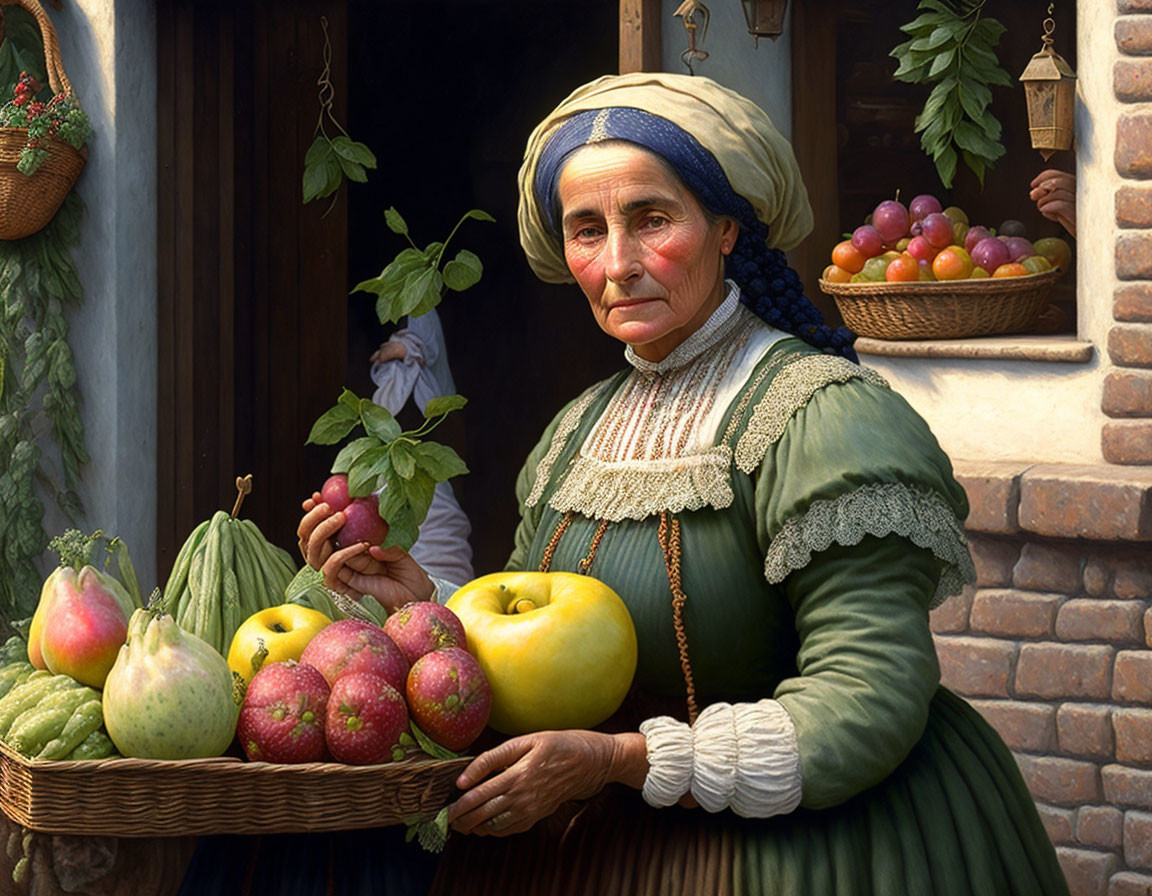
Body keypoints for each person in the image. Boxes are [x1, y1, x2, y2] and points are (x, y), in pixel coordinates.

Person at [298, 72, 1069, 895]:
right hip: (594, 842)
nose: (620, 264)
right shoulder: (574, 434)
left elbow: (868, 698)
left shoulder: (824, 418)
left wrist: (623, 759)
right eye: (587, 230)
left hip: (805, 848)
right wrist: (422, 609)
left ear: (728, 228)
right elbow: (543, 666)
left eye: (652, 219)